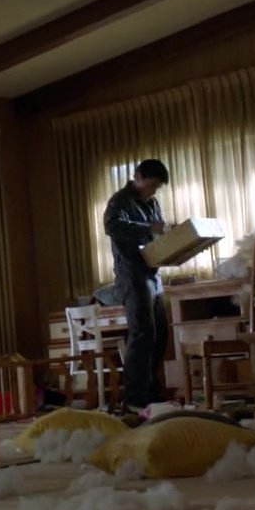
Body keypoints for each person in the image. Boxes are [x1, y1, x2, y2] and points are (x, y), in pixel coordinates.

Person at [102, 159, 170, 413]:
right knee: (142, 333)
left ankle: (152, 391)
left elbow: (157, 232)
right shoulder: (120, 201)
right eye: (151, 185)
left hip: (153, 272)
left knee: (160, 332)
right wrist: (149, 227)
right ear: (138, 177)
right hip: (131, 273)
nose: (153, 191)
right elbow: (112, 226)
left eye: (157, 187)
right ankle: (134, 397)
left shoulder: (152, 203)